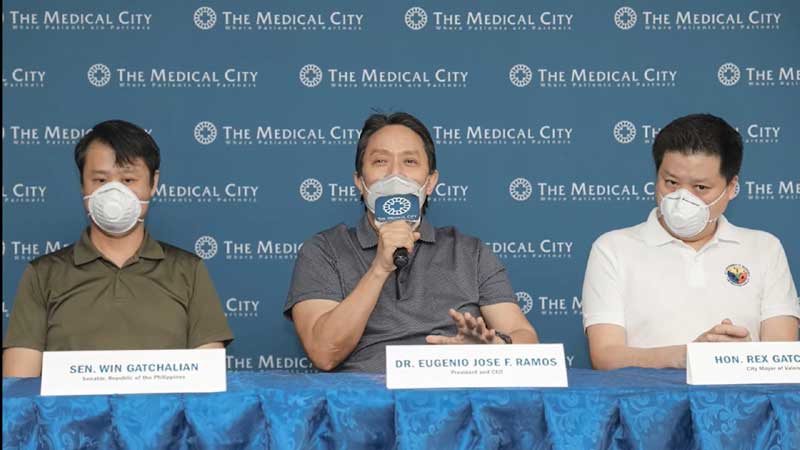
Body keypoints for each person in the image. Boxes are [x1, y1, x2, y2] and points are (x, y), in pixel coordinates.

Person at [285, 112, 538, 372]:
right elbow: (324, 353)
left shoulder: (470, 253)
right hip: (362, 404)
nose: (396, 174)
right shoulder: (323, 250)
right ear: (360, 182)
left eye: (409, 161)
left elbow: (526, 338)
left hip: (450, 399)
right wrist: (380, 268)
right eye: (381, 161)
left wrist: (496, 349)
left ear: (430, 182)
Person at [2, 120, 233, 377]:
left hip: (164, 418)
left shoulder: (189, 271)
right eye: (100, 179)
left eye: (128, 179)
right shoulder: (42, 274)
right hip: (71, 419)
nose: (114, 193)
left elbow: (208, 386)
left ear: (153, 183)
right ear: (82, 184)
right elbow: (18, 388)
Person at [582, 113, 799, 370]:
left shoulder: (764, 248)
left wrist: (744, 355)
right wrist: (689, 357)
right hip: (648, 406)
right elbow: (605, 356)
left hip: (742, 406)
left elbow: (783, 356)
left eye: (701, 188)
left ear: (731, 187)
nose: (682, 198)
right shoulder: (613, 249)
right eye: (671, 182)